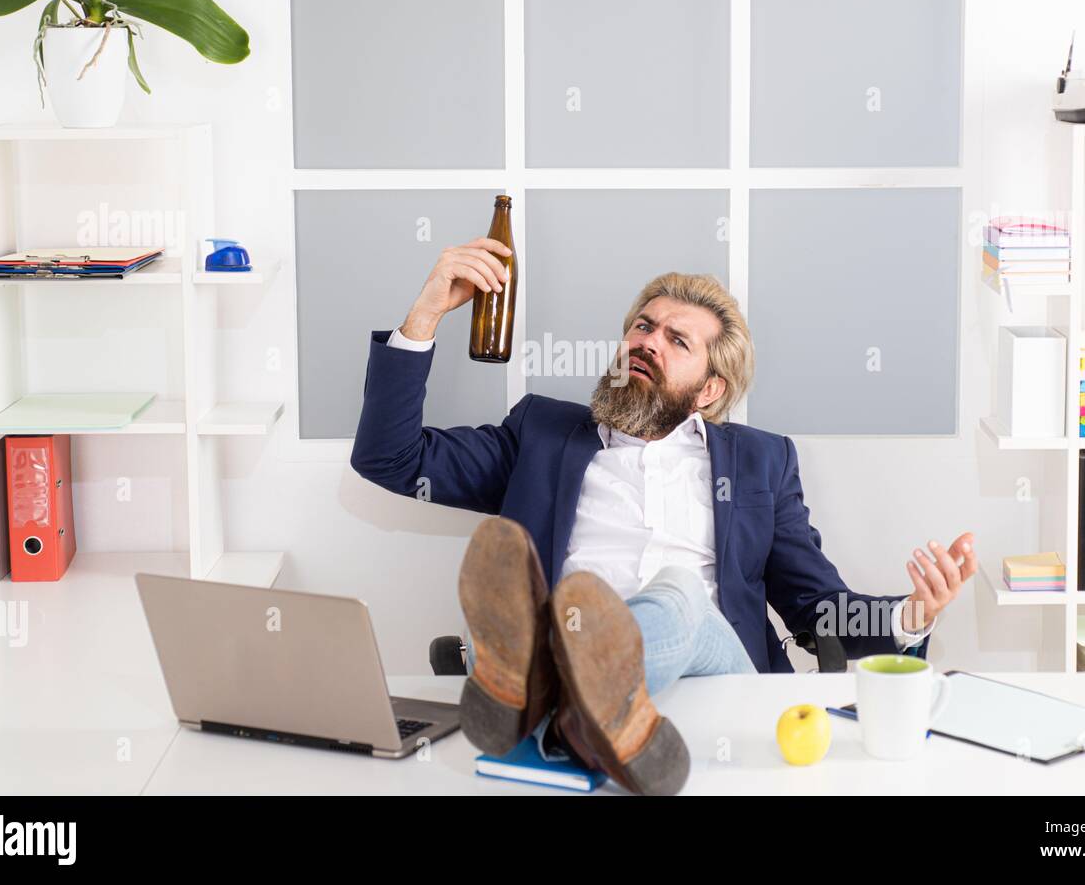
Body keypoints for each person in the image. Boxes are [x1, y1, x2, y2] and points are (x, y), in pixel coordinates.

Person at [352, 236, 978, 795]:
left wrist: (910, 615)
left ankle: (545, 701)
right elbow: (391, 458)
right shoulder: (541, 434)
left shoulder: (762, 462)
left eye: (676, 340)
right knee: (561, 597)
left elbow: (817, 612)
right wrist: (427, 312)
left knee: (678, 590)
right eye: (643, 328)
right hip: (603, 684)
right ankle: (594, 720)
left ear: (709, 391)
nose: (648, 341)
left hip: (720, 691)